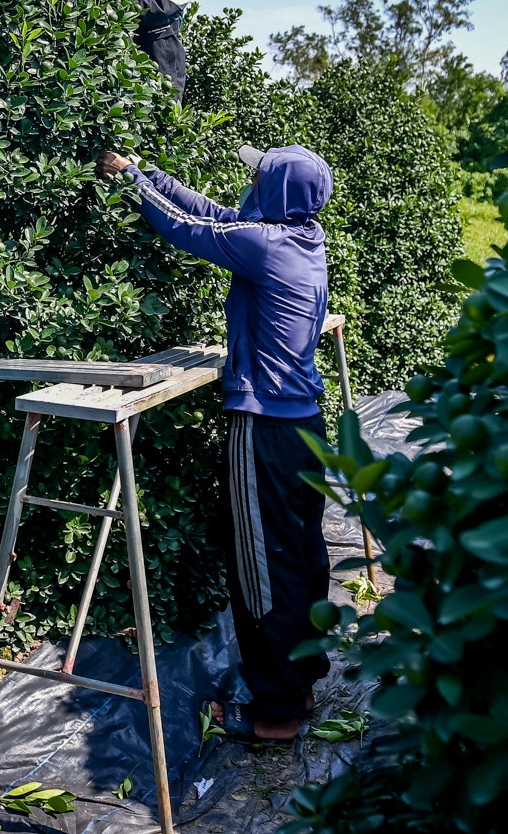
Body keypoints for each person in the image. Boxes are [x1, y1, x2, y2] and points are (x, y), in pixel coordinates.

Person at [97, 142, 334, 742]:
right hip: (305, 424)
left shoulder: (266, 245)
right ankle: (300, 682)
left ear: (277, 194)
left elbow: (186, 227)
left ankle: (274, 711)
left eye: (259, 178)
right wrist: (153, 174)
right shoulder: (303, 240)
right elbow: (215, 216)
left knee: (262, 567)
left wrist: (126, 179)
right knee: (303, 558)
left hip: (265, 427)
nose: (249, 185)